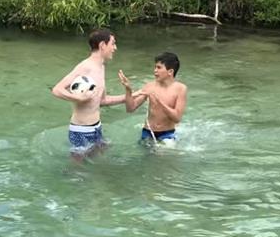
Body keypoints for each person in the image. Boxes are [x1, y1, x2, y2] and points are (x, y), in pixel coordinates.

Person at [51, 28, 127, 158]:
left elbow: (101, 100)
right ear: (102, 45)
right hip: (81, 130)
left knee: (98, 158)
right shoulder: (85, 66)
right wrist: (77, 98)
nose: (115, 48)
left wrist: (128, 97)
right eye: (113, 43)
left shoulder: (101, 67)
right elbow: (57, 89)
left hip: (96, 127)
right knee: (78, 171)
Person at [118, 52, 187, 146]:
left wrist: (159, 101)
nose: (155, 71)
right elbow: (130, 108)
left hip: (167, 133)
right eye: (155, 67)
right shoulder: (150, 86)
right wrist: (128, 90)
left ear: (170, 71)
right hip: (147, 131)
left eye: (159, 68)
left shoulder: (180, 89)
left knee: (162, 156)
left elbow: (177, 118)